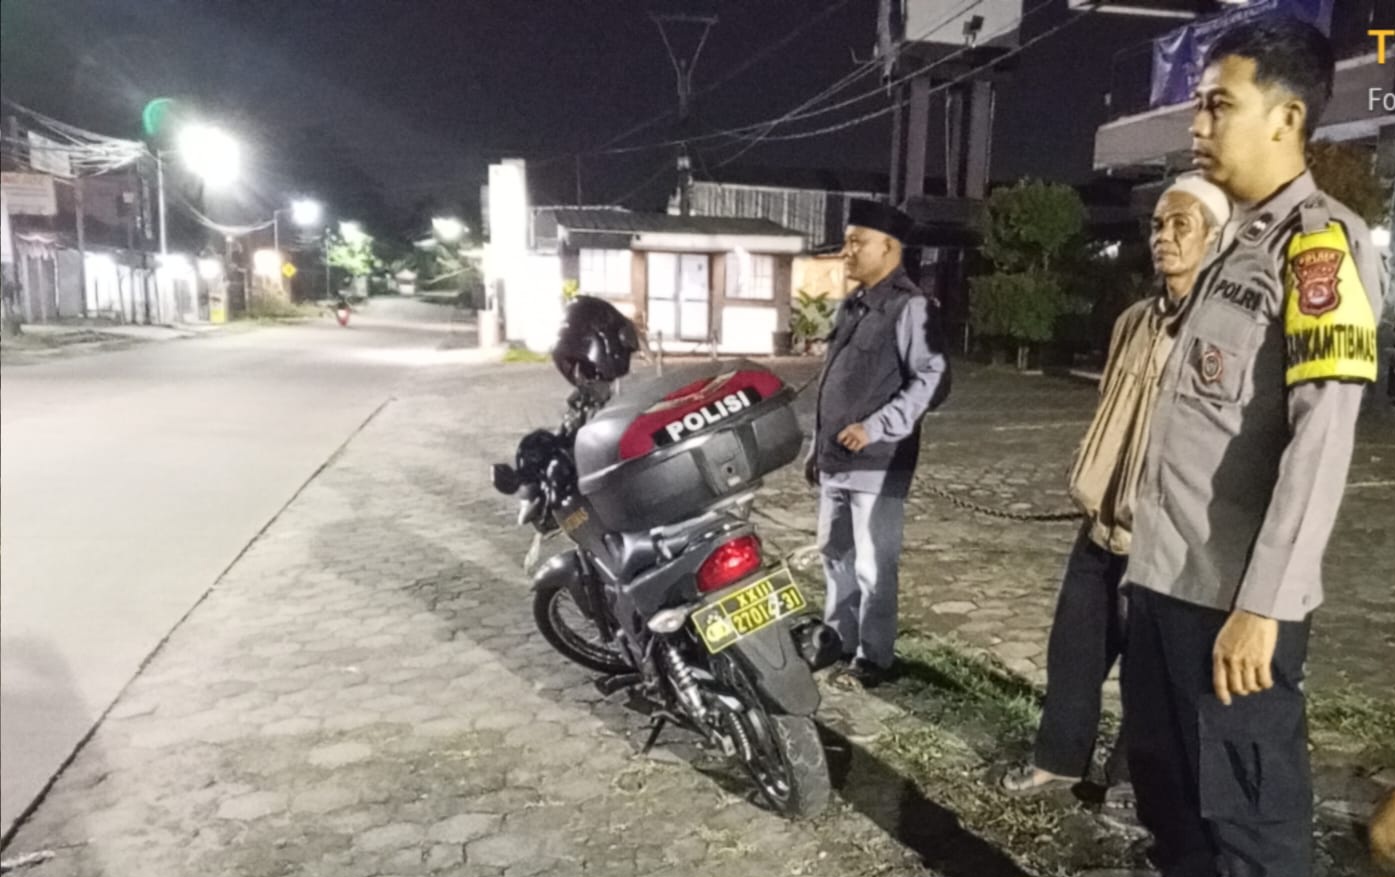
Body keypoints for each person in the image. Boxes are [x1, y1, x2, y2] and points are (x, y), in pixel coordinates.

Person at [1121, 18, 1384, 876]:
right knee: (1172, 814)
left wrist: (1262, 606)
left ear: (1286, 117)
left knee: (1250, 837)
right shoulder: (1233, 241)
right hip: (1163, 584)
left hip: (1232, 609)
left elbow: (1322, 438)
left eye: (1217, 105)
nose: (1196, 125)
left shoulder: (1318, 246)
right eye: (1197, 105)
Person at [1002, 175, 1232, 795]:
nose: (1164, 237)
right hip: (1101, 521)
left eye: (1181, 225)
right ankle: (1058, 760)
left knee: (1151, 670)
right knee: (1074, 648)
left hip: (1169, 537)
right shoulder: (1133, 321)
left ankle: (1132, 784)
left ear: (1217, 239)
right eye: (1158, 225)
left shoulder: (1226, 332)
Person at [807, 199, 949, 689]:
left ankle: (874, 656)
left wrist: (876, 426)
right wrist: (816, 450)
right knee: (835, 556)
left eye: (857, 242)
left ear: (888, 247)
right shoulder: (855, 305)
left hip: (878, 463)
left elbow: (933, 379)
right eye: (847, 241)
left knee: (873, 567)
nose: (847, 251)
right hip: (836, 461)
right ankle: (838, 640)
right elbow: (834, 384)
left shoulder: (909, 306)